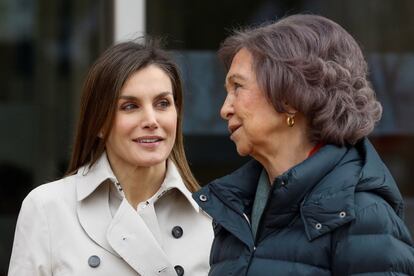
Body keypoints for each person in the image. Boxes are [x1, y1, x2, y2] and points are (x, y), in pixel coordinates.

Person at [193, 14, 414, 275]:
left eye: (237, 87)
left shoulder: (364, 215)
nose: (225, 109)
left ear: (289, 97)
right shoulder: (236, 212)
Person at [9, 40, 213, 276]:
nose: (151, 120)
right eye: (129, 106)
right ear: (100, 123)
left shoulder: (211, 217)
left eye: (163, 103)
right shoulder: (48, 208)